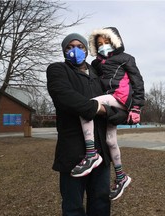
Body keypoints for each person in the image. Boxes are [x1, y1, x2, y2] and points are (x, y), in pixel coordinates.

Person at [46, 33, 128, 216]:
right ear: (64, 51)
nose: (75, 50)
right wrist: (100, 108)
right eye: (69, 47)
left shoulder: (99, 74)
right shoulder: (57, 70)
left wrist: (106, 111)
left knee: (100, 204)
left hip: (101, 153)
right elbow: (66, 98)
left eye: (80, 46)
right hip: (73, 153)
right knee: (73, 206)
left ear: (86, 49)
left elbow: (123, 111)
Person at [71, 27, 145, 201]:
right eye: (100, 44)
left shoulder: (126, 59)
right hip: (111, 102)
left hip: (121, 98)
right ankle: (121, 177)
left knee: (88, 107)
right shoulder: (97, 64)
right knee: (110, 141)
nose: (104, 46)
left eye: (107, 42)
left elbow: (138, 82)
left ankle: (91, 154)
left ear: (115, 42)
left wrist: (136, 108)